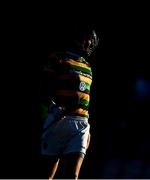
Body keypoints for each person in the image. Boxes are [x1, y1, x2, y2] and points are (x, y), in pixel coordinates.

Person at [40, 28, 99, 179]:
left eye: (93, 40)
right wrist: (52, 107)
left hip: (80, 125)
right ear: (79, 38)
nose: (91, 42)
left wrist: (86, 125)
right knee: (47, 175)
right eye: (89, 38)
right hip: (58, 121)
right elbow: (42, 87)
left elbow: (85, 98)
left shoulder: (87, 66)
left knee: (72, 175)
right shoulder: (58, 58)